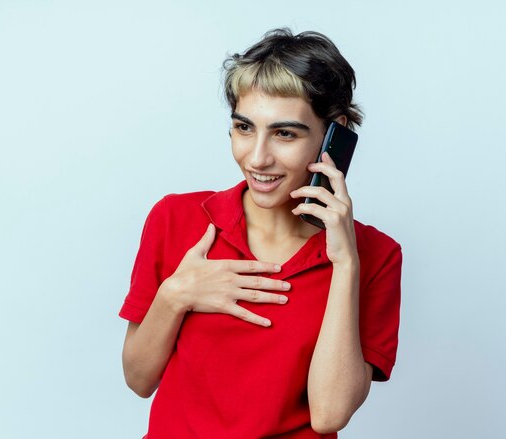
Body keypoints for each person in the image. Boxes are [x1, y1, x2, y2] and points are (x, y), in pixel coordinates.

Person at [119, 28, 403, 438]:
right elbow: (139, 380)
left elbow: (329, 415)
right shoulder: (175, 218)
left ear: (334, 133)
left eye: (285, 133)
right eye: (244, 128)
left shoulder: (375, 255)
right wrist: (176, 294)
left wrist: (344, 263)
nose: (257, 157)